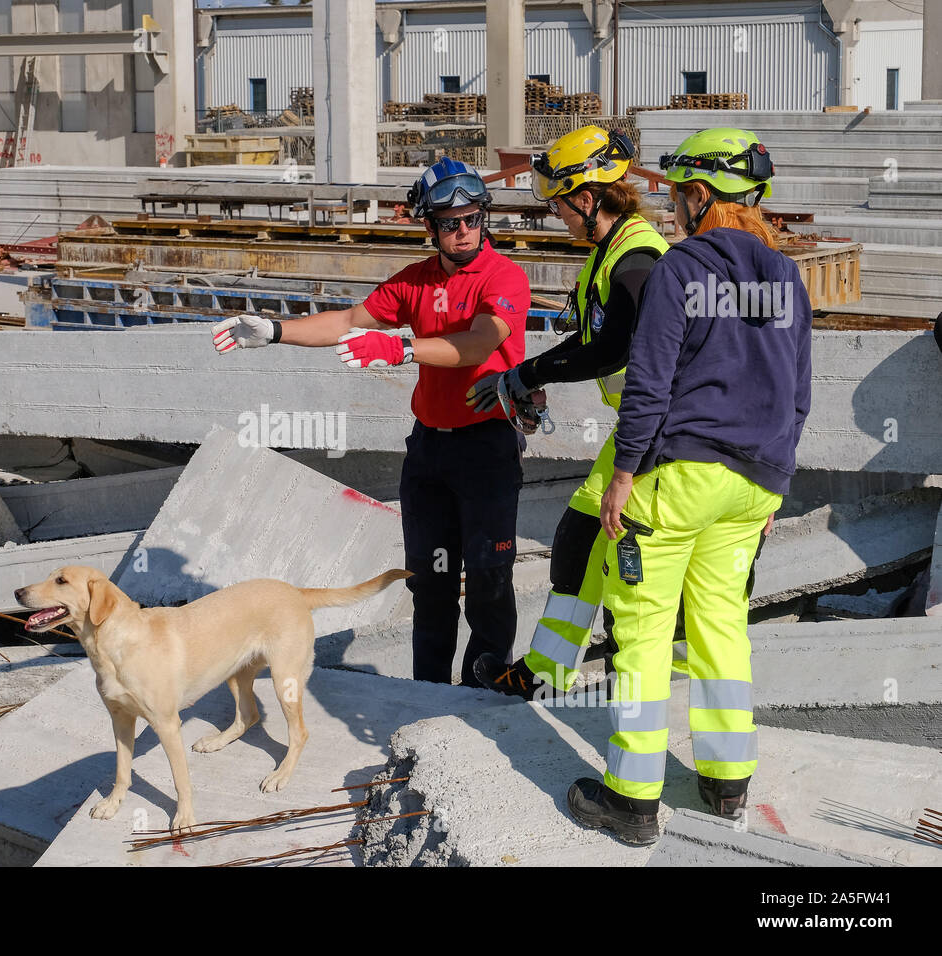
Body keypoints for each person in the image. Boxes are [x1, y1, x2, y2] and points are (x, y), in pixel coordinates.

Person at [566, 128, 812, 845]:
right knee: (720, 628)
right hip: (752, 487)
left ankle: (632, 801)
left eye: (678, 198)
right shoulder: (786, 279)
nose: (672, 211)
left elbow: (649, 383)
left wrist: (623, 474)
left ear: (702, 196)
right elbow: (798, 397)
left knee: (640, 634)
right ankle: (727, 782)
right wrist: (773, 487)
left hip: (678, 481)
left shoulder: (682, 269)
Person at [212, 158, 532, 686]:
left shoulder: (503, 277)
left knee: (490, 580)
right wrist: (274, 330)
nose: (463, 232)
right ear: (429, 226)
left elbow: (480, 341)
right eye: (450, 223)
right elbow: (346, 321)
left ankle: (484, 690)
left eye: (473, 219)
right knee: (430, 583)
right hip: (430, 453)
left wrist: (403, 347)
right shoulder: (416, 281)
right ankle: (429, 692)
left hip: (487, 449)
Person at [463, 126, 669, 699]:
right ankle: (545, 674)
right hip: (641, 428)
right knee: (580, 542)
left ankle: (629, 685)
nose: (556, 213)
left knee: (621, 560)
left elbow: (614, 349)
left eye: (560, 202)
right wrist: (531, 373)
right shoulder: (614, 252)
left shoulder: (637, 261)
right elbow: (591, 337)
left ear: (588, 197)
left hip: (657, 433)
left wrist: (528, 373)